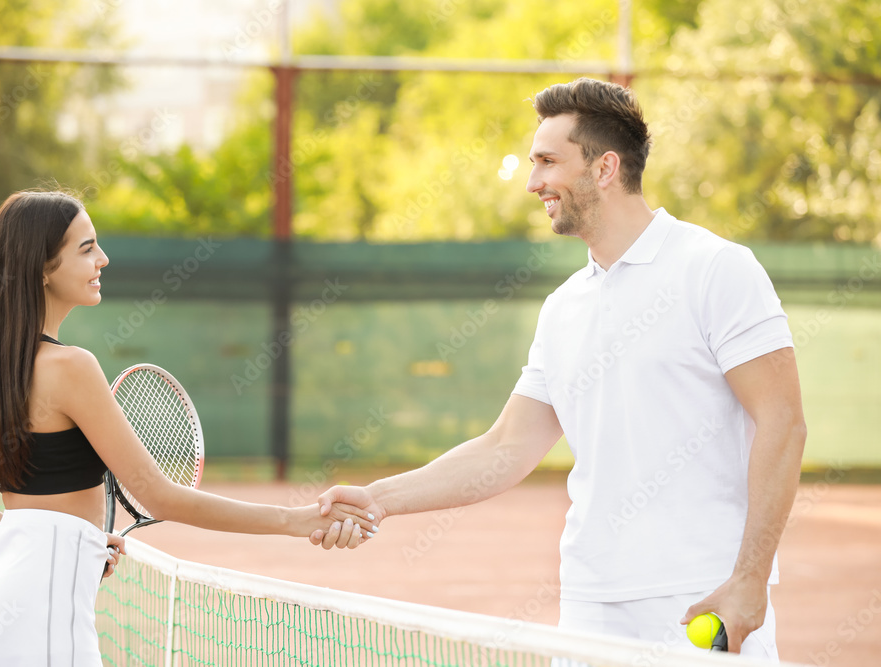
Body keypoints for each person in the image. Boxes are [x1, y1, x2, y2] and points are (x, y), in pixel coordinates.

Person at [314, 78, 805, 659]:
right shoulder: (564, 307)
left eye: (548, 161)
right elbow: (504, 448)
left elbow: (783, 423)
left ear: (604, 168)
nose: (533, 182)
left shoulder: (716, 269)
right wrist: (379, 498)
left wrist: (750, 578)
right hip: (590, 606)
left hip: (702, 599)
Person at [0, 190, 374, 666]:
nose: (103, 259)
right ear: (42, 267)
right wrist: (294, 520)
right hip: (41, 623)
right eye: (86, 249)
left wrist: (61, 543)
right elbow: (161, 496)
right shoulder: (71, 368)